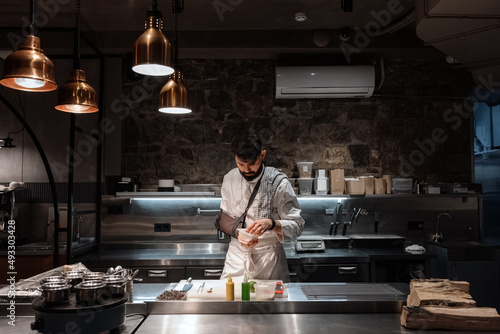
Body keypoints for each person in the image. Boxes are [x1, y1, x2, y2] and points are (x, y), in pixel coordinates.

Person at [219, 135, 305, 282]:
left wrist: (272, 224)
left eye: (252, 163)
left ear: (262, 155)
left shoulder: (279, 183)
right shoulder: (229, 178)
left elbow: (297, 226)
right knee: (230, 302)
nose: (246, 170)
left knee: (270, 303)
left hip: (269, 259)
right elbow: (223, 218)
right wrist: (239, 234)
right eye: (240, 164)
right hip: (236, 258)